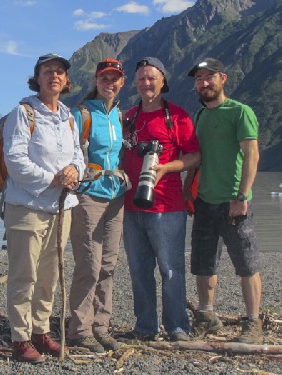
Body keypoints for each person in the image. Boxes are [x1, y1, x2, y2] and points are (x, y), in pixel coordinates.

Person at [3, 53, 85, 363]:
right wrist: (53, 179)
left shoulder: (68, 116)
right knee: (24, 274)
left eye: (60, 71)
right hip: (27, 206)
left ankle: (41, 330)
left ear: (66, 81)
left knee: (50, 274)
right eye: (48, 71)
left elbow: (78, 153)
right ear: (37, 78)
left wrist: (75, 171)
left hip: (61, 208)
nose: (54, 75)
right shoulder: (23, 113)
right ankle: (20, 338)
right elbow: (15, 160)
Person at [122, 57, 201, 342]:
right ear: (134, 83)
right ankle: (145, 326)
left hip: (167, 206)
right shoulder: (128, 117)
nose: (146, 83)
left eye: (151, 78)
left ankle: (177, 327)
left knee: (171, 269)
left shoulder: (177, 116)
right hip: (130, 206)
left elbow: (194, 156)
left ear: (163, 81)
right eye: (141, 78)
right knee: (139, 270)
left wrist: (165, 168)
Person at [186, 58, 262, 344]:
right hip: (205, 200)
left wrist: (242, 197)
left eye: (209, 77)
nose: (204, 83)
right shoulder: (200, 115)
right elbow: (197, 158)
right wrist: (187, 192)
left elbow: (252, 156)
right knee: (203, 264)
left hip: (234, 201)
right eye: (199, 79)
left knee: (247, 264)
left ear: (223, 79)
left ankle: (253, 322)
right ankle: (207, 317)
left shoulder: (240, 112)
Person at [67, 58, 128, 353]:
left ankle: (101, 326)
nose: (110, 83)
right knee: (89, 264)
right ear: (96, 80)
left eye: (115, 78)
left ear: (122, 82)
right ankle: (79, 328)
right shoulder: (82, 114)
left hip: (116, 195)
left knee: (108, 264)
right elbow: (66, 151)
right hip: (89, 194)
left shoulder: (119, 114)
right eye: (105, 78)